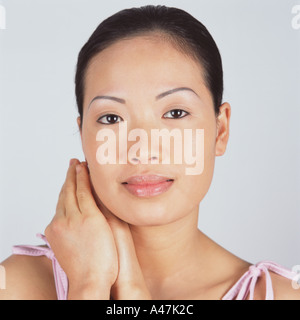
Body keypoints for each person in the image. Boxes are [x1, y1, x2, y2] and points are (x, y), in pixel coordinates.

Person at [0, 5, 299, 300]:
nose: (143, 150)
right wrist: (90, 285)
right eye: (111, 119)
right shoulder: (15, 287)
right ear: (83, 136)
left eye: (176, 112)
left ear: (220, 131)